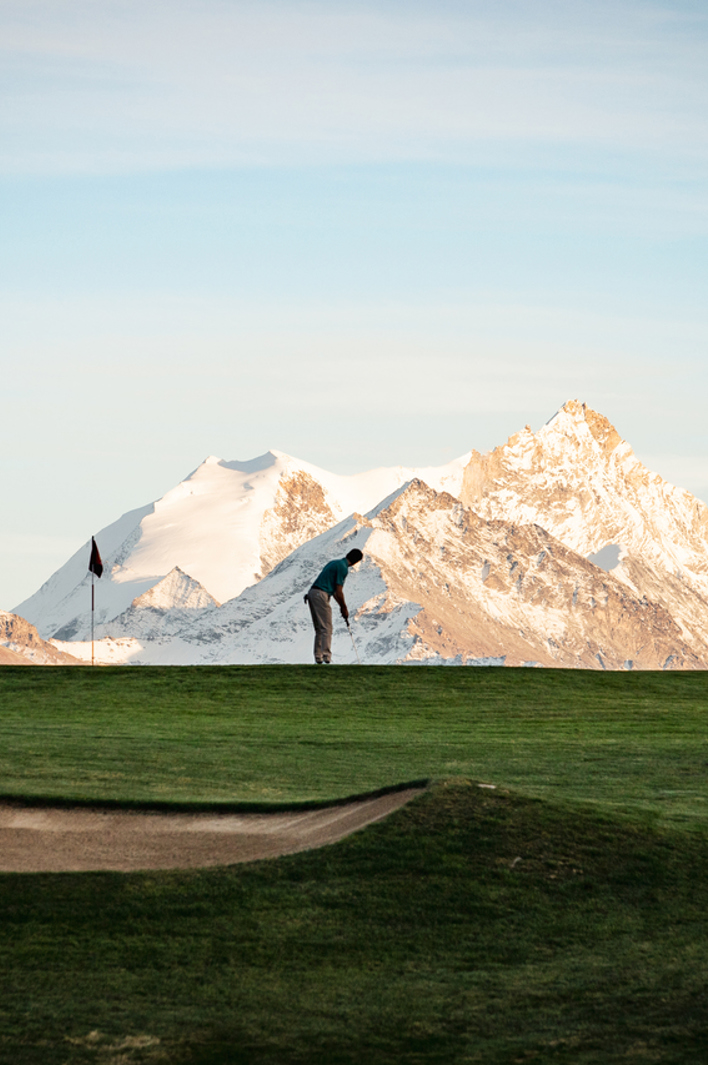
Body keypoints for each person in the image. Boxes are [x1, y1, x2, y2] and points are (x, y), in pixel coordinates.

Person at [305, 548, 363, 664]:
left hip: (312, 593)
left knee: (320, 628)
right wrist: (344, 607)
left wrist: (341, 606)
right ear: (356, 562)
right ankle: (326, 657)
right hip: (321, 594)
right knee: (326, 628)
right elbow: (339, 590)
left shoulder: (334, 563)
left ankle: (318, 657)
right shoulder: (343, 568)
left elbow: (335, 592)